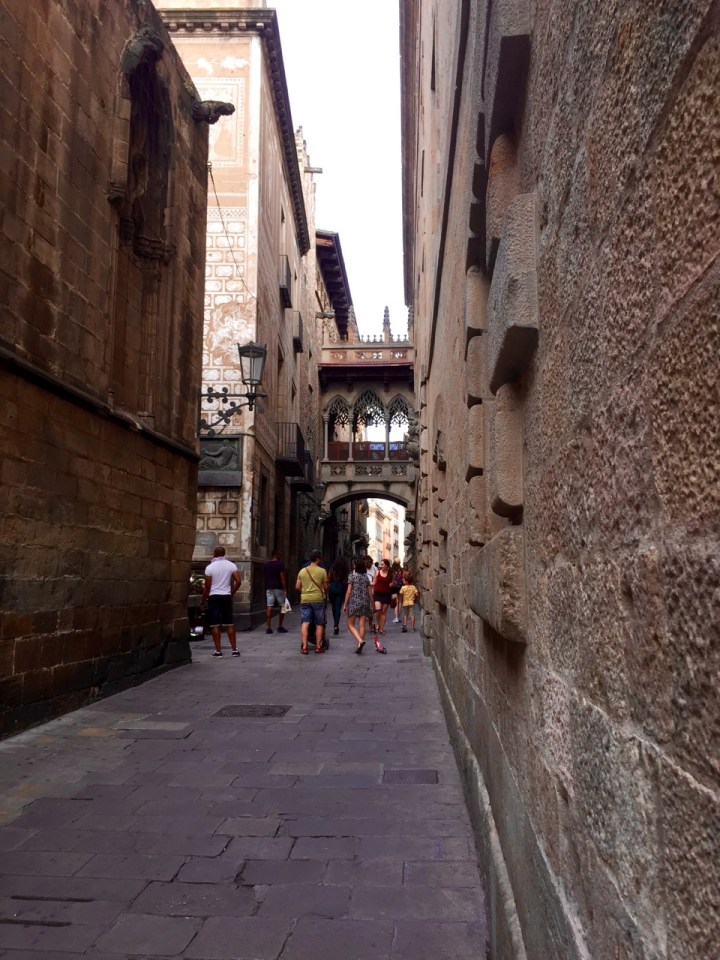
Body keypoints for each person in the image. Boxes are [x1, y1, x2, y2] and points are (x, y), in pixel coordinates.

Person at [203, 546, 241, 657]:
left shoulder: (209, 567)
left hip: (214, 596)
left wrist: (203, 600)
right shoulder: (231, 565)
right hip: (226, 596)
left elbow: (207, 587)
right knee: (229, 624)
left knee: (215, 624)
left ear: (214, 554)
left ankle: (218, 651)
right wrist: (231, 593)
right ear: (224, 554)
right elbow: (238, 581)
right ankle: (234, 650)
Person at [295, 550, 328, 654]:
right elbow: (325, 587)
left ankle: (305, 647)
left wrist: (304, 592)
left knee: (305, 622)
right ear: (318, 559)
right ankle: (318, 647)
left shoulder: (302, 571)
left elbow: (297, 586)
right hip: (318, 599)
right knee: (319, 623)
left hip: (305, 599)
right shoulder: (322, 571)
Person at [343, 558, 374, 654]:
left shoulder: (352, 576)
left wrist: (345, 604)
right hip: (365, 602)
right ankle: (359, 645)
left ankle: (360, 641)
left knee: (350, 625)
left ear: (356, 566)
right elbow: (370, 593)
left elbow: (349, 591)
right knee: (362, 625)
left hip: (354, 602)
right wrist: (372, 604)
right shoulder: (366, 577)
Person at [264, 549, 288, 634]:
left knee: (269, 606)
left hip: (269, 588)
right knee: (283, 606)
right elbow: (282, 577)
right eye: (279, 554)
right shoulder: (280, 564)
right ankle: (280, 626)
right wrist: (285, 589)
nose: (280, 556)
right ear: (276, 555)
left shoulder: (267, 564)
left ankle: (268, 627)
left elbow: (265, 576)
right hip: (279, 588)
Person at [327, 555, 349, 635]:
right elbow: (347, 580)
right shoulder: (345, 569)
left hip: (332, 588)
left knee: (333, 607)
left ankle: (335, 622)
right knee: (338, 608)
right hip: (340, 588)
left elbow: (328, 578)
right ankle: (336, 625)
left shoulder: (332, 568)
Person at [372, 558, 393, 635]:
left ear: (386, 565)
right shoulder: (377, 572)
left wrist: (392, 585)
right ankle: (378, 624)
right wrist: (366, 582)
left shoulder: (390, 574)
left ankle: (381, 629)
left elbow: (392, 583)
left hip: (386, 594)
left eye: (382, 564)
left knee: (383, 612)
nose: (381, 566)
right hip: (378, 594)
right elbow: (374, 582)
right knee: (378, 610)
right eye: (381, 564)